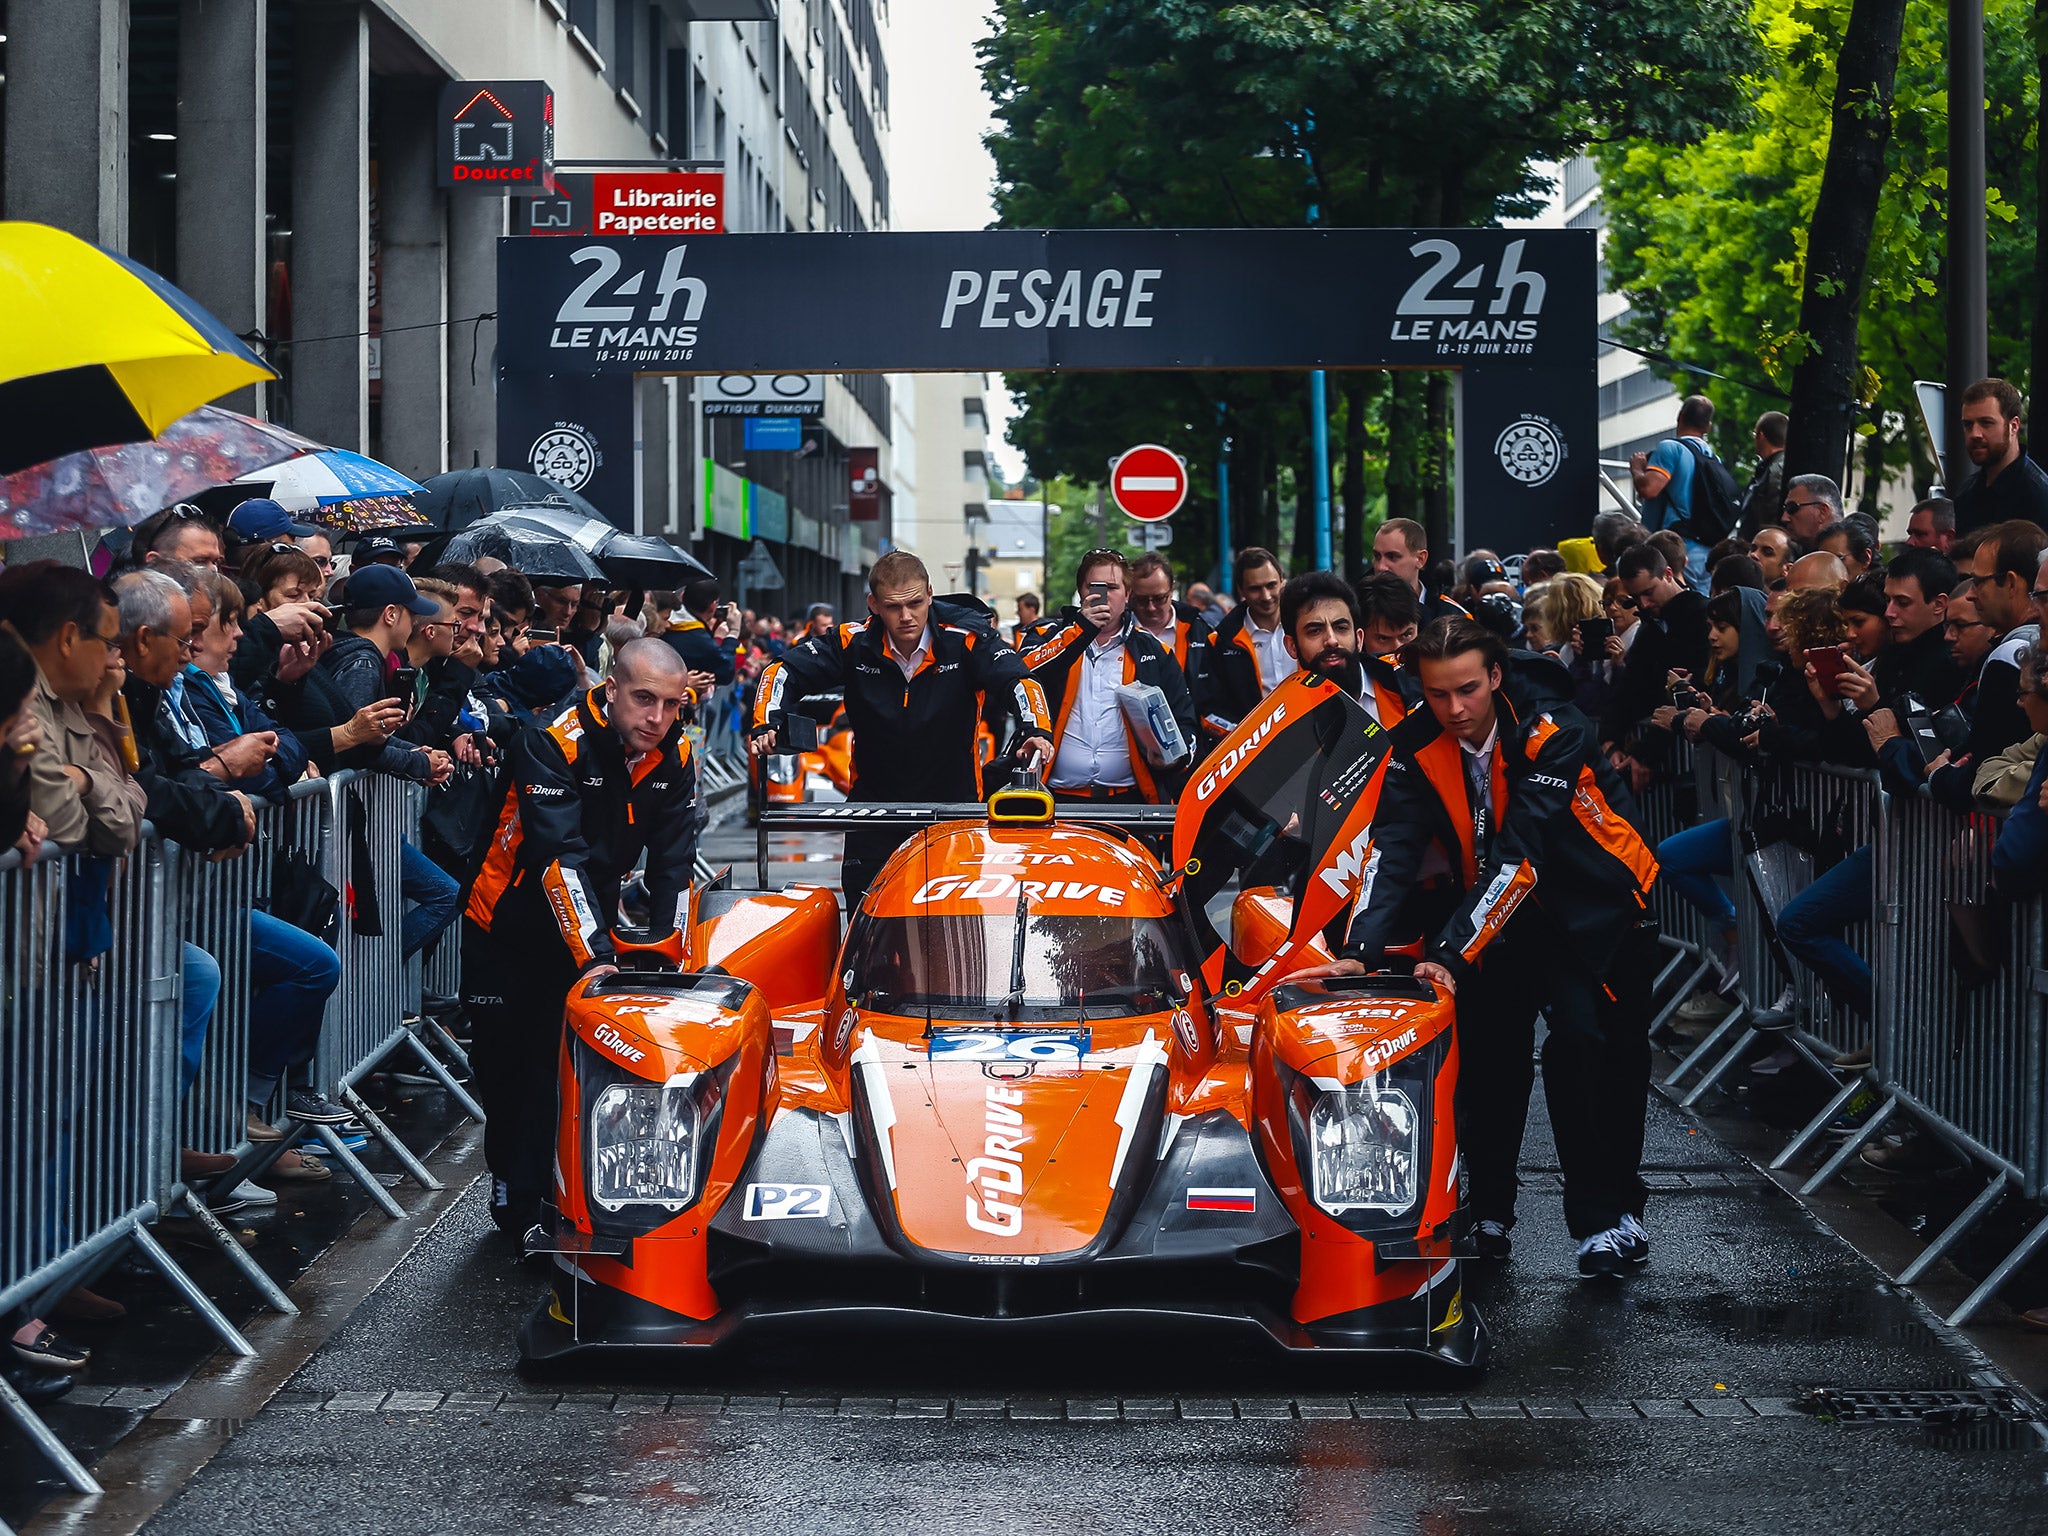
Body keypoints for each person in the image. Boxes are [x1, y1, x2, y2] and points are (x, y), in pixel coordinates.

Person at [1302, 618, 1660, 1278]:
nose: (1455, 709)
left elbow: (1520, 854)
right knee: (1491, 1062)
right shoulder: (1412, 739)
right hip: (1491, 916)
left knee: (1591, 1052)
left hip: (1593, 913)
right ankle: (1489, 1211)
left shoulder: (1554, 730)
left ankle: (1608, 1216)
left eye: (1467, 690)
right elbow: (1393, 846)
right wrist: (1361, 946)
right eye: (1438, 694)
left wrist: (1453, 950)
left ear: (1495, 677)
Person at [462, 639, 699, 1237]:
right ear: (610, 687)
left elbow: (674, 859)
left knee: (569, 1068)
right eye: (644, 700)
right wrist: (595, 953)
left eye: (671, 705)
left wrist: (667, 946)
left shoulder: (676, 750)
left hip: (587, 923)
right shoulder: (551, 740)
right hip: (508, 924)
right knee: (508, 1070)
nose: (657, 718)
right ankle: (512, 1195)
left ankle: (572, 1199)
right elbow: (556, 859)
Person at [750, 550, 1053, 903]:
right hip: (874, 813)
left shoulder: (967, 639)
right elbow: (781, 670)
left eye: (915, 603)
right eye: (894, 607)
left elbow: (1018, 679)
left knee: (954, 928)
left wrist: (1036, 729)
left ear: (930, 593)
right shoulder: (853, 642)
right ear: (873, 604)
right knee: (868, 927)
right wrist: (766, 723)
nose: (907, 617)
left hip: (955, 812)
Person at [1024, 550, 1194, 804]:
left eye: (1112, 587)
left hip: (1129, 799)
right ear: (1081, 592)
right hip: (1055, 796)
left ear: (1127, 595)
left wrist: (1172, 758)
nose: (1102, 596)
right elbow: (1021, 673)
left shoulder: (1155, 651)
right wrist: (1079, 631)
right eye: (1094, 587)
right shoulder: (1047, 634)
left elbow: (1186, 722)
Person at [1628, 394, 1728, 588]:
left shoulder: (1671, 448)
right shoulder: (1712, 456)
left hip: (1672, 550)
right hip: (1704, 550)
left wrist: (1637, 469)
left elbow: (1649, 489)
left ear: (1680, 416)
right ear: (1707, 426)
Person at [1206, 546, 1294, 735]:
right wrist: (1241, 735)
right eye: (1255, 589)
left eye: (1271, 585)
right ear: (1241, 590)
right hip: (1255, 747)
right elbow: (1210, 707)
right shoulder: (1221, 642)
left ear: (1282, 581)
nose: (1266, 596)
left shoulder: (1306, 626)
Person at [1953, 377, 2048, 533]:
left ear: (2013, 426)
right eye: (1968, 425)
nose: (1975, 434)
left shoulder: (2038, 496)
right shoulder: (1966, 493)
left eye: (1986, 423)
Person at [1127, 552, 1215, 717]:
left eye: (1159, 598)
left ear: (1172, 589)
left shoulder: (1199, 630)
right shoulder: (1120, 633)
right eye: (1142, 600)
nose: (1151, 607)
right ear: (1130, 594)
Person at [1372, 517, 1466, 622]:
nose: (1381, 567)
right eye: (1377, 556)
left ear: (1421, 559)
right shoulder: (1356, 609)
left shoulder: (1453, 616)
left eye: (1392, 556)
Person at [1736, 411, 1789, 536]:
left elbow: (1770, 518)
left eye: (1755, 434)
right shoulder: (1774, 467)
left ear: (1761, 435)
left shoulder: (1775, 471)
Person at [1780, 475, 1843, 546]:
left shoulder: (1855, 551)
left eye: (1792, 508)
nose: (1784, 518)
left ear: (1822, 512)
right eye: (1785, 508)